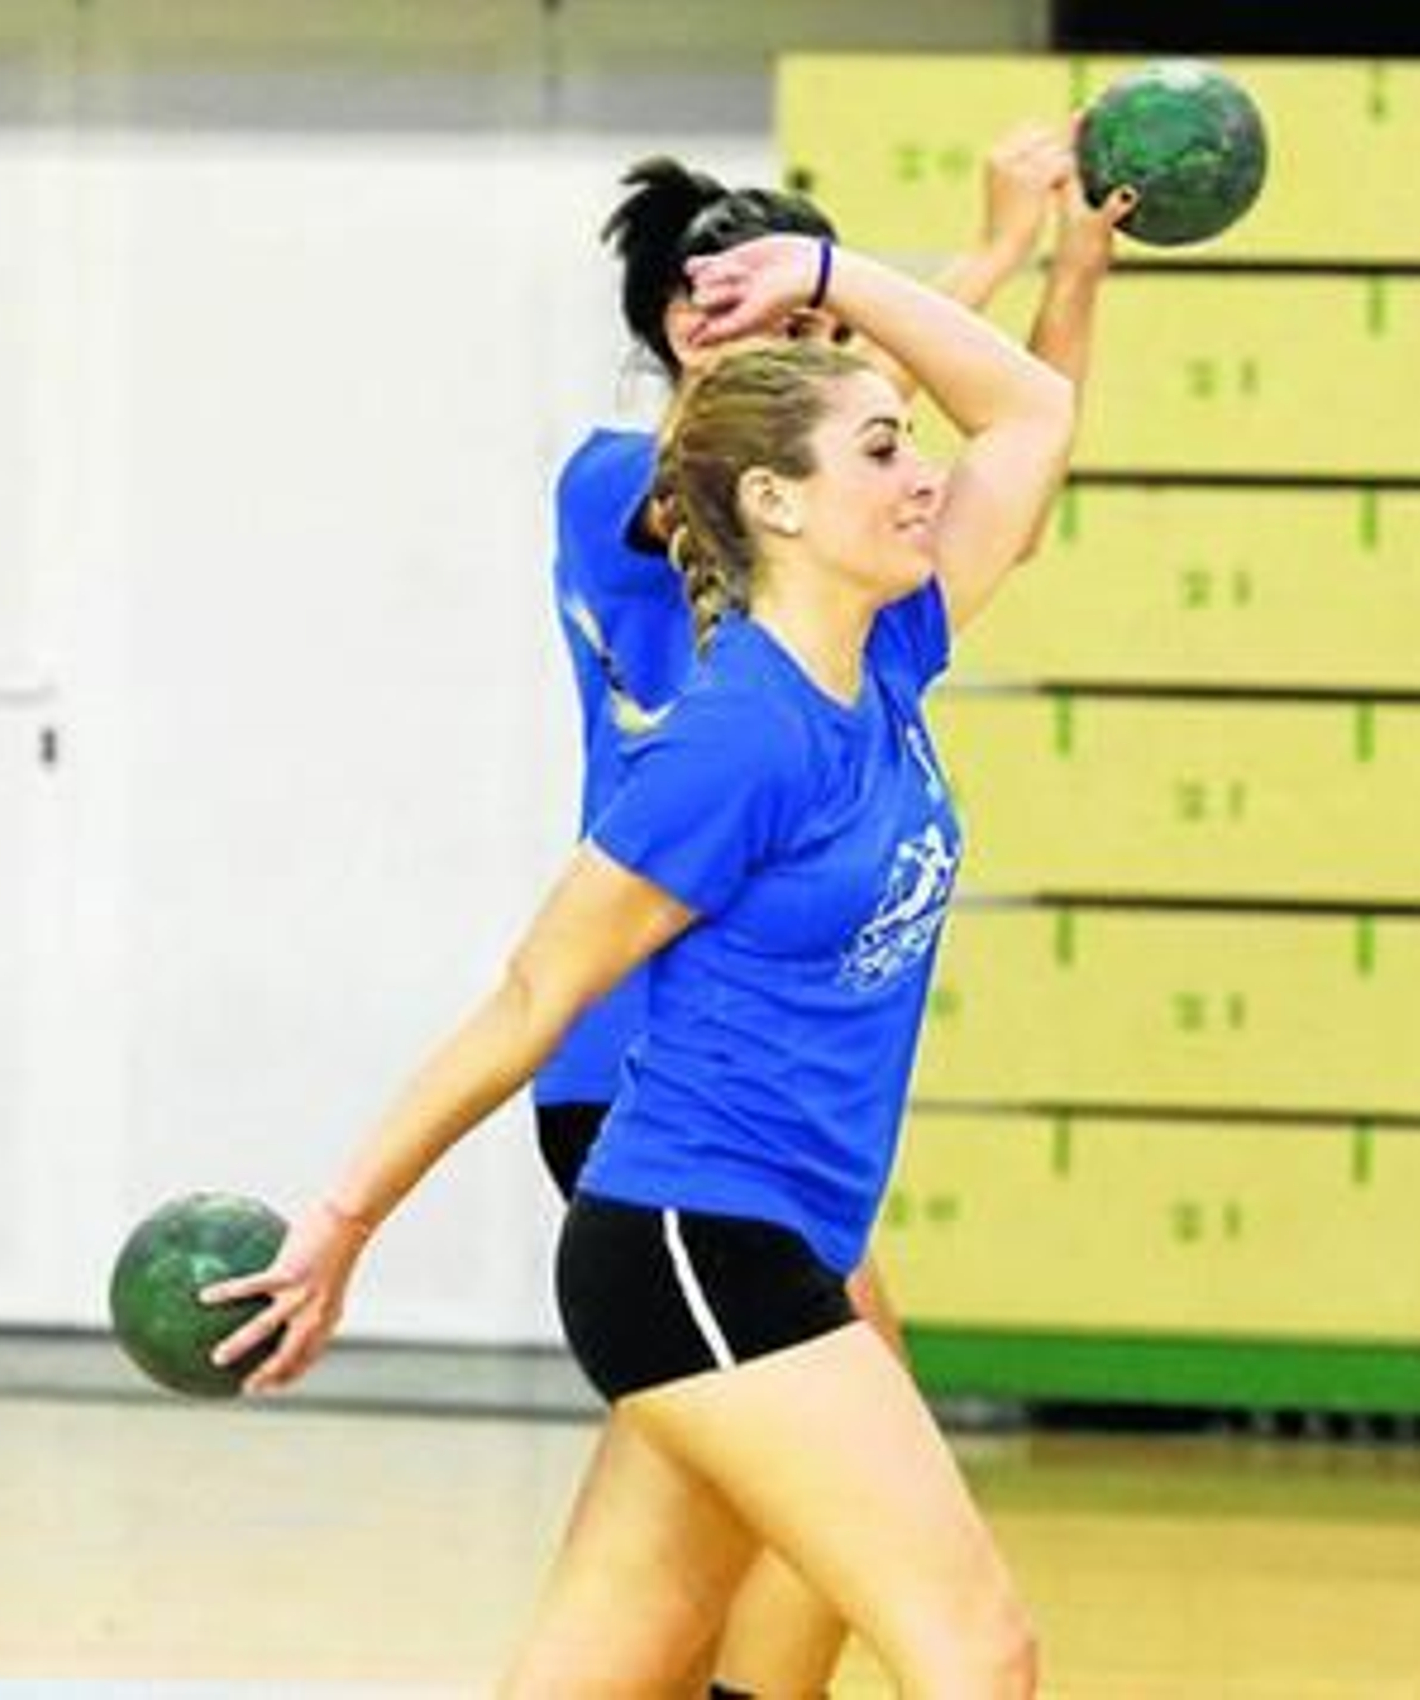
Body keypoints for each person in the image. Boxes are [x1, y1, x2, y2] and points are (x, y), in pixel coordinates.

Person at [203, 194, 1133, 1697]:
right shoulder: (736, 739)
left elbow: (1030, 411)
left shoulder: (893, 655)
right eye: (882, 453)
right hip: (696, 1236)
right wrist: (343, 1224)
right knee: (978, 1649)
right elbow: (535, 993)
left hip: (769, 1236)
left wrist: (843, 273)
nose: (923, 477)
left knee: (599, 1678)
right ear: (775, 503)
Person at [528, 133, 1125, 1697]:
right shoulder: (621, 488)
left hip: (739, 1089)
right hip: (642, 1070)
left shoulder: (854, 598)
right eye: (784, 325)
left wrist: (1068, 271)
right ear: (687, 328)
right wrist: (961, 267)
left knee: (693, 1537)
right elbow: (793, 449)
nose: (831, 365)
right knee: (833, 1471)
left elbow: (1004, 468)